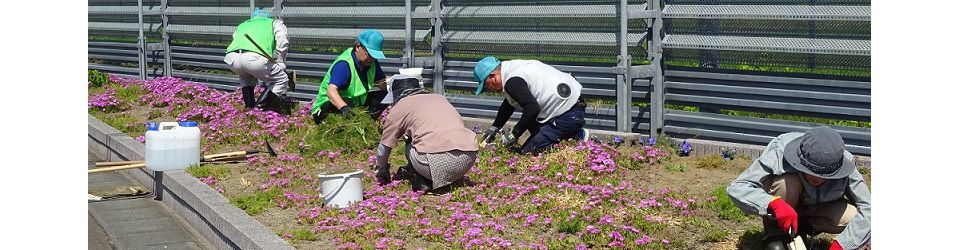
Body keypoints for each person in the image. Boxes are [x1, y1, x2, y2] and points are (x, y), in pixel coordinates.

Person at [727, 126, 871, 250]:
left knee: (853, 216)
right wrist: (773, 203)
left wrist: (843, 245)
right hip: (785, 206)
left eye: (825, 175)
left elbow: (869, 207)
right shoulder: (780, 152)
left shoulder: (842, 161)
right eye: (812, 172)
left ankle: (800, 230)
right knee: (786, 183)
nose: (817, 179)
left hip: (817, 212)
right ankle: (775, 235)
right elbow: (737, 187)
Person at [374, 75, 479, 192]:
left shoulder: (400, 107)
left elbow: (384, 148)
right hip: (468, 158)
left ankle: (424, 180)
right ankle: (448, 177)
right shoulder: (439, 98)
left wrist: (382, 169)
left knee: (410, 142)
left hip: (436, 163)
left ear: (396, 94)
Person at [473, 56, 588, 155]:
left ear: (493, 77)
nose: (490, 90)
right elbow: (509, 103)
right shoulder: (512, 69)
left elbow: (532, 109)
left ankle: (576, 135)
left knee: (527, 154)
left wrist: (513, 135)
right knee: (528, 121)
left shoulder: (512, 82)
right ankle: (571, 134)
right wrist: (495, 126)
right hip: (571, 107)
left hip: (567, 114)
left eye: (487, 86)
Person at [310, 29, 390, 124]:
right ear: (358, 47)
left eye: (375, 56)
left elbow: (382, 83)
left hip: (355, 104)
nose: (372, 59)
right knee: (347, 102)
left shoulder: (371, 62)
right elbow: (331, 91)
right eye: (369, 54)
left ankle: (366, 123)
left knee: (386, 95)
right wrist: (345, 109)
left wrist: (395, 83)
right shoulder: (344, 64)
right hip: (328, 108)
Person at [224, 8, 293, 114]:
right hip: (254, 57)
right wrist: (280, 59)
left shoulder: (243, 24)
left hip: (232, 58)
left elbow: (235, 38)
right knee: (282, 79)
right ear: (267, 17)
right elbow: (282, 40)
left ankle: (249, 108)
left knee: (246, 79)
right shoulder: (274, 23)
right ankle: (258, 110)